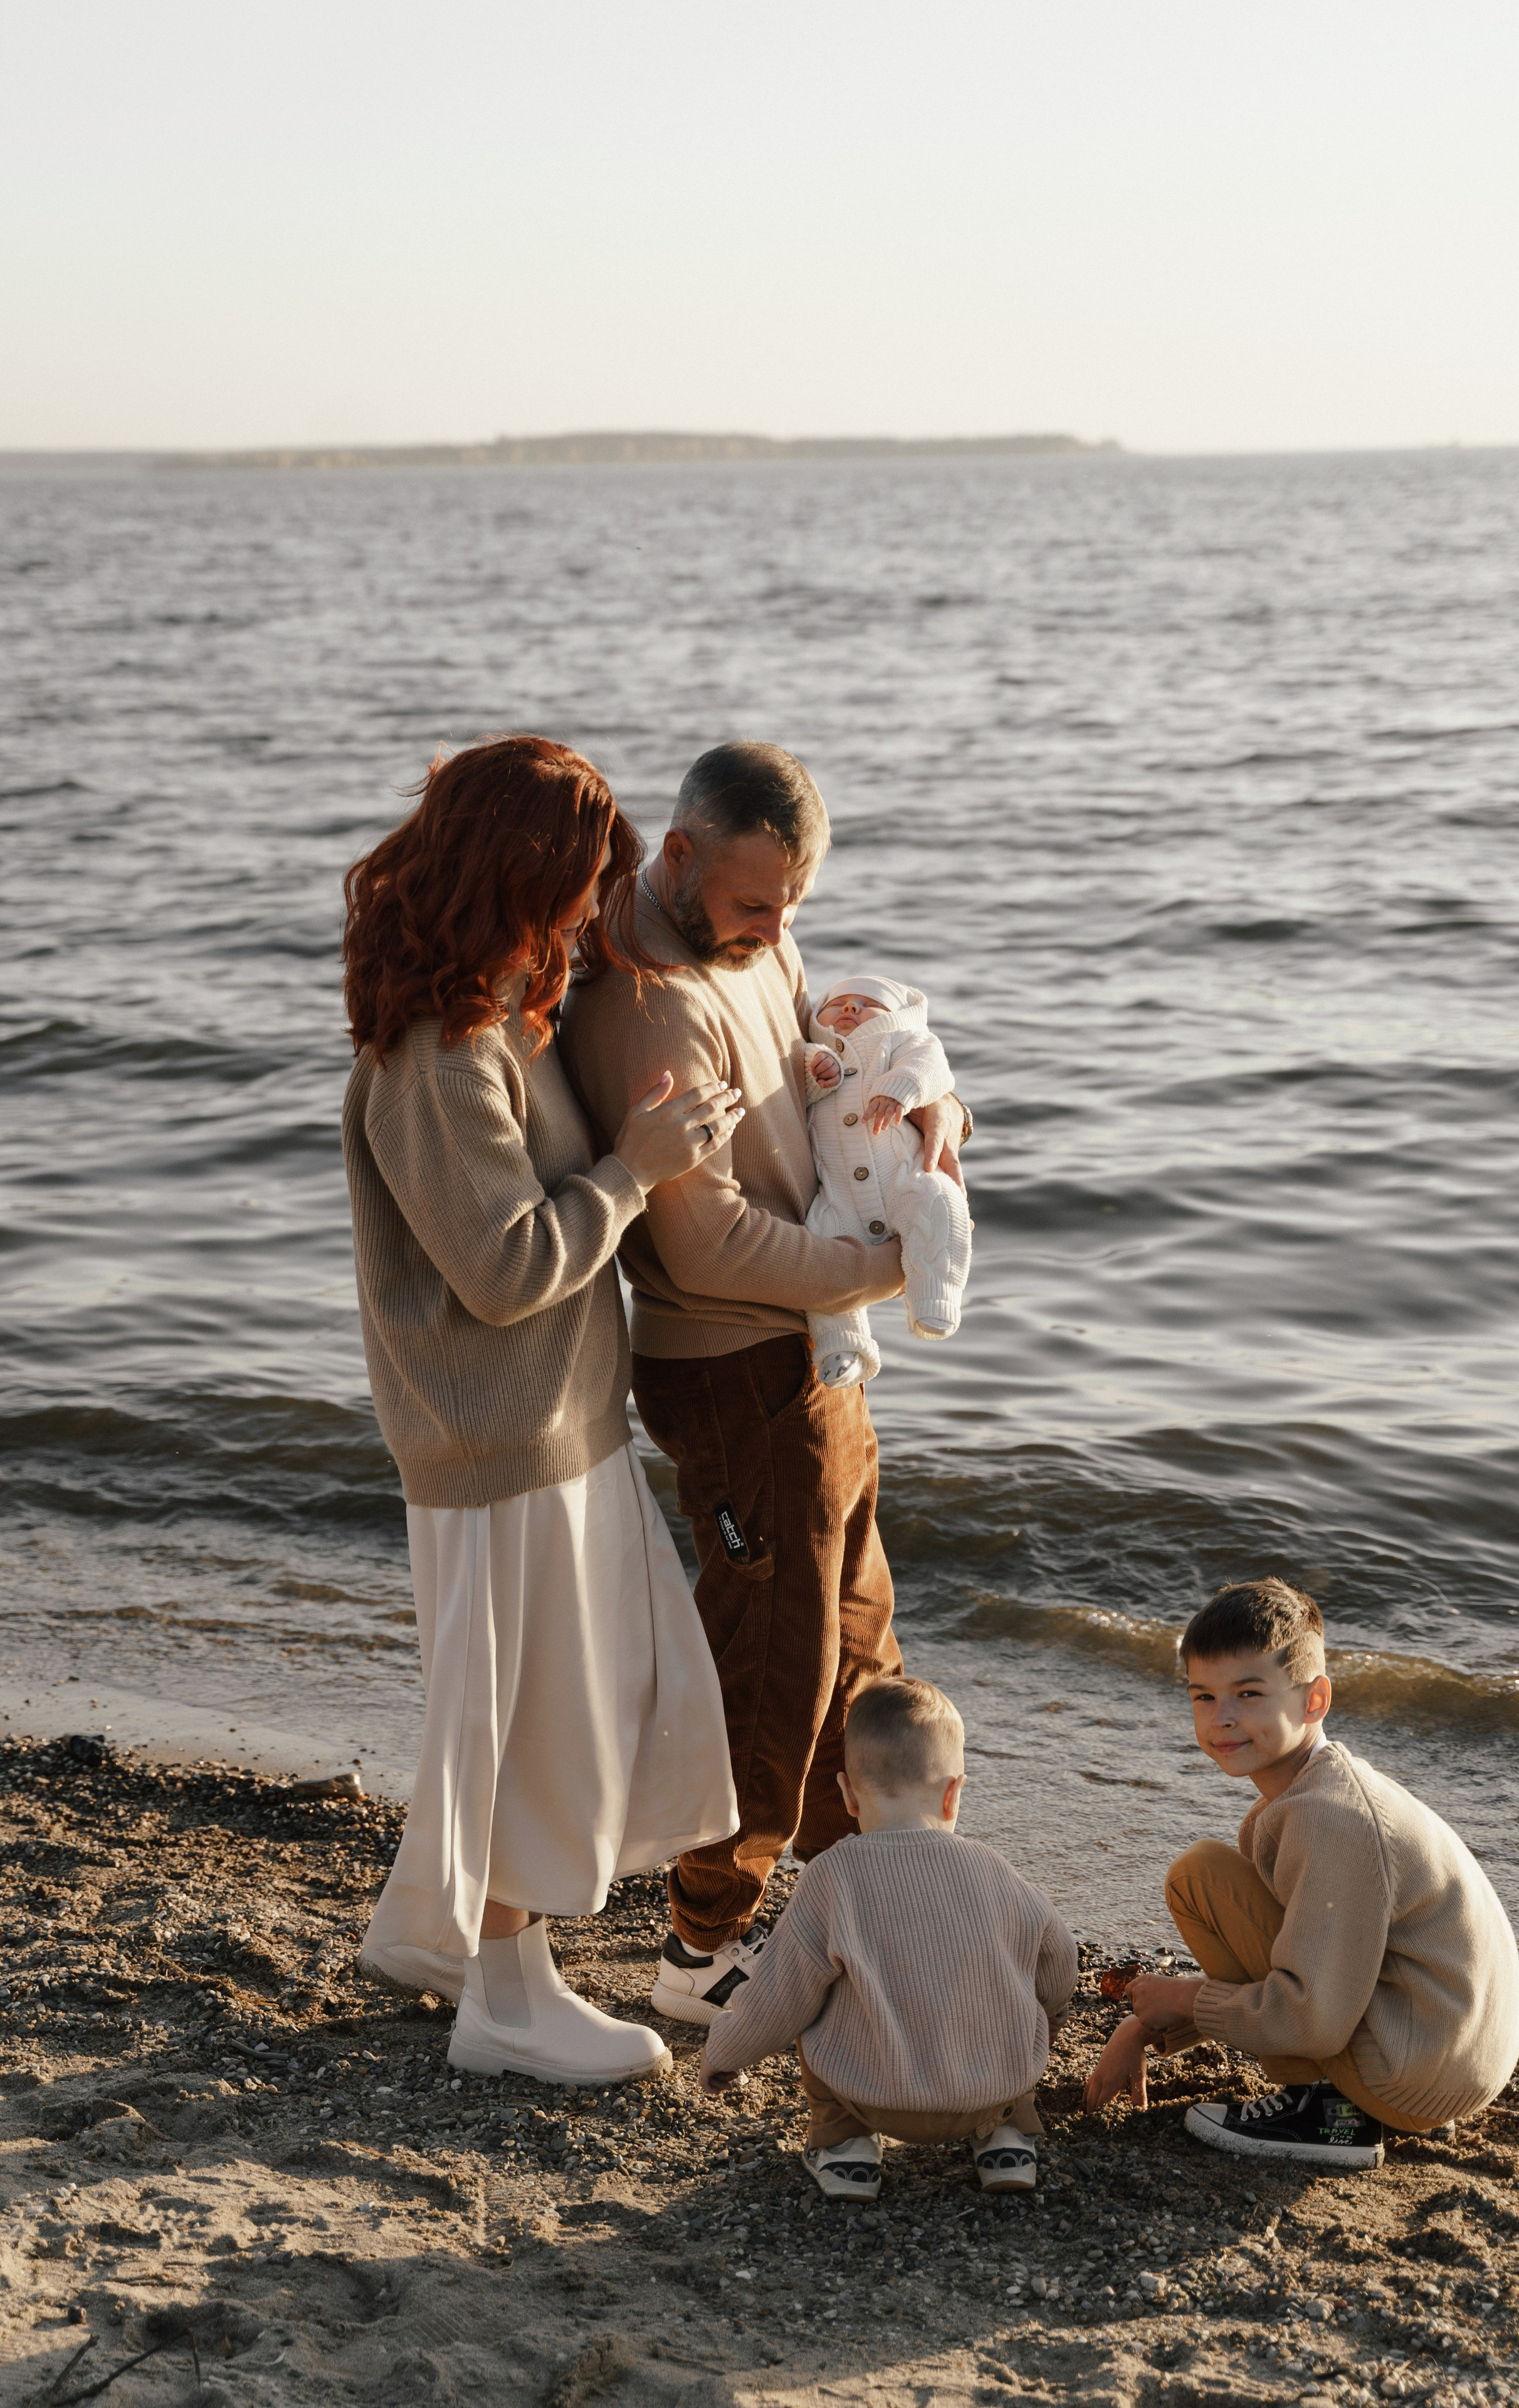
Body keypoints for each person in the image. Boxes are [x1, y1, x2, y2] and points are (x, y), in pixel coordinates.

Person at [340, 733, 742, 2087]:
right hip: (498, 1438)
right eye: (575, 884)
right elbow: (505, 1269)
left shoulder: (506, 1011)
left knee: (541, 1702)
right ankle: (506, 1999)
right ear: (513, 875)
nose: (588, 910)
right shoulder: (440, 1057)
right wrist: (632, 1172)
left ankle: (441, 1942)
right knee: (536, 1720)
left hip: (548, 1425)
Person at [561, 741, 971, 2023]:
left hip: (814, 1352)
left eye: (791, 902)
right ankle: (698, 1949)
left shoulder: (755, 939)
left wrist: (920, 1113)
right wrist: (883, 1264)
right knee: (772, 1672)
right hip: (732, 1370)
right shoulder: (643, 1002)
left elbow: (812, 1084)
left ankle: (877, 1899)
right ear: (675, 856)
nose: (777, 929)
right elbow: (705, 1241)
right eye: (753, 902)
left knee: (859, 1646)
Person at [1085, 1578, 1519, 2169]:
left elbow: (1310, 2017)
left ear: (1314, 1701)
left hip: (1412, 2072)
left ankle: (1332, 2114)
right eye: (1203, 1697)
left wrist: (1183, 1998)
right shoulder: (1301, 1799)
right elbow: (1306, 1962)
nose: (1223, 1718)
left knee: (1199, 1877)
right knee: (1208, 1874)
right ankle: (1336, 2098)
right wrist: (1150, 2028)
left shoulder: (1329, 1818)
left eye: (1249, 1693)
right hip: (1443, 2054)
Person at [698, 1677, 1078, 2199]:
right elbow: (1060, 1955)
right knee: (1012, 1993)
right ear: (954, 1793)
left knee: (816, 1995)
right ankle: (1008, 2143)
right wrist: (1052, 2011)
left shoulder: (832, 1877)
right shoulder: (996, 1869)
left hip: (873, 2097)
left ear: (848, 1795)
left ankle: (846, 2148)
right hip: (994, 2091)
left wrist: (724, 2052)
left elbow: (778, 1998)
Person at [801, 974, 973, 1388]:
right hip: (837, 1198)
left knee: (940, 1201)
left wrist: (901, 1090)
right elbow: (790, 1081)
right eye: (837, 1002)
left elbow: (931, 1068)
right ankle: (843, 1344)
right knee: (818, 1252)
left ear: (896, 1015)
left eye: (866, 1003)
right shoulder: (811, 1050)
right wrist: (813, 1071)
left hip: (901, 1177)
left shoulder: (904, 1041)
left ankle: (934, 1296)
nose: (850, 1008)